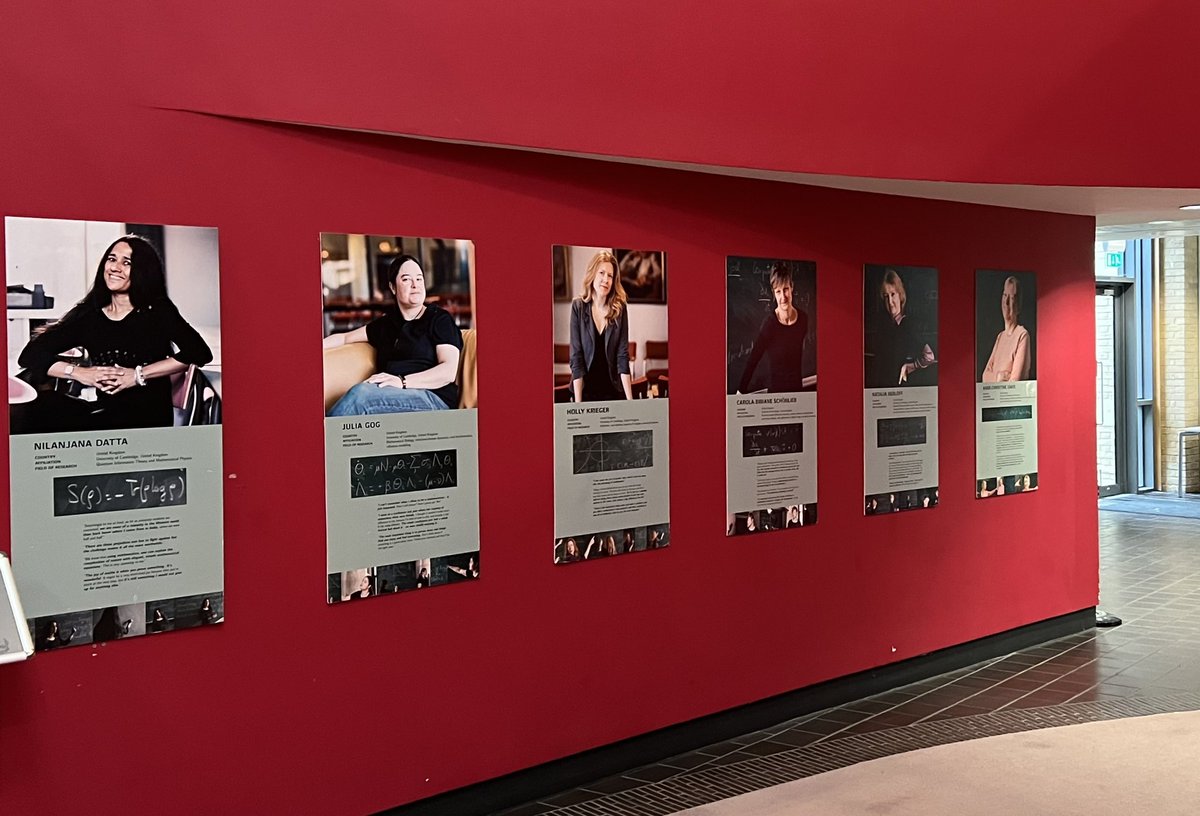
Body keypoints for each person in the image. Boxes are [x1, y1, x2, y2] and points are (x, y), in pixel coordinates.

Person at [14, 235, 212, 433]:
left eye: (127, 263)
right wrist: (81, 373)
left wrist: (136, 375)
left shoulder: (157, 310)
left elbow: (198, 352)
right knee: (42, 406)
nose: (115, 268)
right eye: (111, 259)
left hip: (146, 421)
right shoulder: (89, 314)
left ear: (142, 271)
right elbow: (30, 355)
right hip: (105, 416)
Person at [325, 254, 462, 415]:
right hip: (392, 395)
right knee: (361, 399)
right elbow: (344, 337)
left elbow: (448, 372)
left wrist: (402, 382)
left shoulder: (439, 319)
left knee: (360, 396)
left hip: (433, 398)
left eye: (419, 279)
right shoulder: (387, 324)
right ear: (393, 287)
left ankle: (321, 438)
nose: (415, 285)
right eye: (406, 279)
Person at [568, 250, 633, 402]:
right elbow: (576, 357)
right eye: (601, 273)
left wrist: (631, 402)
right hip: (584, 391)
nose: (606, 279)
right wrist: (579, 405)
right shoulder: (578, 307)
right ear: (592, 275)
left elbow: (622, 356)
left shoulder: (620, 308)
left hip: (613, 391)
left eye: (610, 275)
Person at [737, 263, 809, 393]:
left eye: (786, 289)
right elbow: (753, 359)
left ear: (792, 287)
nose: (783, 297)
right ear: (774, 293)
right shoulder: (770, 324)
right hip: (775, 399)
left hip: (798, 396)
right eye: (778, 291)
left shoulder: (803, 319)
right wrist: (740, 391)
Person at [868, 268, 936, 388]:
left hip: (905, 390)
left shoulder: (910, 325)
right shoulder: (885, 327)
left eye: (893, 294)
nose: (890, 301)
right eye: (885, 296)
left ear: (900, 295)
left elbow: (929, 357)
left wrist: (909, 367)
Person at [982, 276, 1031, 383]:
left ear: (1018, 305)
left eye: (1012, 298)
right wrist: (999, 377)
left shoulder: (1022, 335)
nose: (1007, 302)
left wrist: (994, 376)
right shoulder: (1000, 336)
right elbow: (984, 376)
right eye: (1005, 295)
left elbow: (1014, 382)